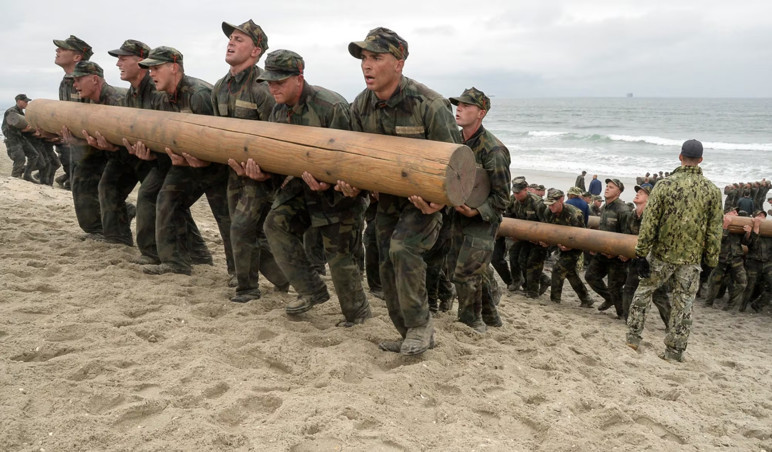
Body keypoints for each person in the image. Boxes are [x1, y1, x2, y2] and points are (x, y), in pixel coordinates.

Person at [347, 27, 460, 355]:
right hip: (388, 199)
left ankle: (421, 325)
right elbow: (354, 155)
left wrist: (437, 204)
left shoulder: (431, 104)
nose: (367, 65)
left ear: (399, 63)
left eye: (376, 58)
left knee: (403, 249)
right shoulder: (361, 105)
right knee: (385, 262)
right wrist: (350, 183)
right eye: (364, 58)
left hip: (427, 201)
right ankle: (407, 330)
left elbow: (455, 165)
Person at [259, 49, 371, 325]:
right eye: (269, 82)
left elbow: (356, 157)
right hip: (302, 186)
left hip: (341, 193)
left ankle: (358, 313)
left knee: (339, 257)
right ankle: (311, 290)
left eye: (279, 82)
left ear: (299, 79)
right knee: (276, 224)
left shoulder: (331, 106)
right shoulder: (277, 111)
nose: (273, 88)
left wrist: (332, 183)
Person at [133, 46, 234, 278]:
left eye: (156, 68)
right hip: (184, 163)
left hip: (217, 166)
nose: (151, 74)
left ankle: (237, 272)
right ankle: (176, 261)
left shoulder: (199, 94)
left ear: (174, 67)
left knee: (225, 216)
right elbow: (162, 135)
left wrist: (204, 160)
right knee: (167, 199)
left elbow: (219, 138)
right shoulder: (160, 98)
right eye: (149, 69)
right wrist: (153, 153)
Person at [626, 139, 722, 362]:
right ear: (700, 160)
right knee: (684, 304)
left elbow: (649, 222)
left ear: (680, 157)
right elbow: (715, 230)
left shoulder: (664, 186)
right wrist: (711, 261)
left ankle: (633, 338)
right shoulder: (712, 191)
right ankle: (674, 351)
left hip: (661, 255)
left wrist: (641, 253)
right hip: (691, 259)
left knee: (643, 293)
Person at [212, 19, 289, 300]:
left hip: (262, 174)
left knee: (242, 227)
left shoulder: (263, 87)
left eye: (239, 39)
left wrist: (267, 173)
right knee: (242, 228)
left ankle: (248, 288)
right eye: (230, 38)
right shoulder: (220, 87)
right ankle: (283, 276)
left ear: (256, 51)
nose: (231, 42)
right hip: (233, 171)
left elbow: (279, 133)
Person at [84, 39, 161, 246]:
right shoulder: (131, 93)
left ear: (142, 62)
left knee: (163, 202)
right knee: (109, 186)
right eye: (118, 59)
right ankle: (117, 239)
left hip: (157, 159)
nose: (118, 64)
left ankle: (196, 254)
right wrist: (111, 146)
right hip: (131, 155)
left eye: (124, 59)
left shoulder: (156, 91)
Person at [445, 87, 511, 332]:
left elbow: (504, 197)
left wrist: (477, 211)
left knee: (467, 274)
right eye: (458, 105)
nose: (459, 109)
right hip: (456, 217)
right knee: (463, 271)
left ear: (481, 113)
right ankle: (492, 317)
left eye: (466, 106)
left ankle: (471, 322)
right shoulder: (454, 141)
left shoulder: (493, 150)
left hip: (482, 221)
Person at [61, 61, 126, 239]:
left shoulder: (117, 100)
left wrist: (112, 147)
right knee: (83, 181)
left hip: (129, 154)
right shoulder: (86, 100)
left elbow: (130, 134)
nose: (75, 85)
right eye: (73, 81)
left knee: (110, 187)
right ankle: (101, 229)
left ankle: (117, 236)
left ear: (95, 79)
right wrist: (76, 140)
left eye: (79, 80)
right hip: (103, 151)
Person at [619, 185, 670, 324]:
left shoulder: (655, 216)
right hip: (636, 259)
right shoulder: (631, 216)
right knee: (629, 288)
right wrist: (625, 252)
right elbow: (626, 236)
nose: (637, 194)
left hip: (653, 261)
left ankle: (670, 324)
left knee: (659, 294)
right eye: (637, 192)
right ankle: (628, 320)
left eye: (642, 192)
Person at [585, 178, 630, 318]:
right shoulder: (605, 207)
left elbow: (627, 234)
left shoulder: (623, 210)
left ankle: (622, 314)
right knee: (590, 276)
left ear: (619, 192)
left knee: (615, 286)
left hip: (617, 256)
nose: (607, 188)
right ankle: (608, 298)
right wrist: (596, 246)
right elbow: (602, 229)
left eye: (611, 187)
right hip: (603, 252)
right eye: (607, 186)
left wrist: (618, 252)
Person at [541, 188, 593, 307]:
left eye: (553, 204)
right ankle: (586, 298)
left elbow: (581, 237)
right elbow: (549, 231)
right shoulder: (548, 212)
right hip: (560, 244)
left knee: (558, 269)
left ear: (561, 200)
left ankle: (555, 300)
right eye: (548, 205)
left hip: (574, 248)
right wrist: (554, 243)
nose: (550, 207)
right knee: (569, 272)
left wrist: (570, 247)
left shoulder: (575, 214)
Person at [53, 35, 93, 189]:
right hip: (74, 146)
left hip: (89, 148)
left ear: (77, 56)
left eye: (63, 49)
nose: (57, 50)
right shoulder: (65, 82)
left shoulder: (88, 80)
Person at [507, 177, 549, 298]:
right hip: (524, 237)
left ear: (526, 190)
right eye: (514, 192)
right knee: (521, 261)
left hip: (539, 239)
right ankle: (534, 284)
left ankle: (533, 292)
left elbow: (546, 223)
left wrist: (544, 240)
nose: (516, 195)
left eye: (518, 193)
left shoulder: (537, 203)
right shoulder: (514, 200)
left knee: (533, 263)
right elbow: (509, 216)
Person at [703, 207, 748, 311]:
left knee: (742, 283)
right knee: (714, 282)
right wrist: (725, 227)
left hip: (736, 259)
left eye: (737, 212)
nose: (736, 214)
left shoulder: (739, 225)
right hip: (721, 258)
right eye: (733, 211)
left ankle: (730, 306)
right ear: (726, 213)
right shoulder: (718, 223)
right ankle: (708, 304)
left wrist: (749, 233)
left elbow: (747, 243)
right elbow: (716, 240)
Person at [2, 94, 39, 181]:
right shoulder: (11, 112)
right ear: (19, 101)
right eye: (25, 101)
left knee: (34, 155)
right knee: (20, 158)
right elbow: (6, 130)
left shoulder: (21, 113)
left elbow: (25, 128)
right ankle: (15, 177)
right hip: (12, 139)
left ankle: (27, 174)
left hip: (21, 138)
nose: (27, 103)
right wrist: (23, 131)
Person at [743, 210, 771, 312]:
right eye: (759, 216)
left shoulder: (769, 231)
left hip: (767, 263)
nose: (762, 218)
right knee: (749, 287)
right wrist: (754, 229)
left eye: (764, 216)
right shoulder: (749, 229)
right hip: (753, 263)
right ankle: (742, 308)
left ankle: (758, 305)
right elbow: (749, 244)